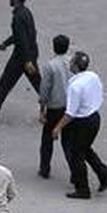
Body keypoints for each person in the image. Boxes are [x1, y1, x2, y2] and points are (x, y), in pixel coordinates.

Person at [51, 50, 107, 200]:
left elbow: (70, 114)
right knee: (85, 149)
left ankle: (82, 189)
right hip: (94, 117)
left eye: (72, 62)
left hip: (82, 122)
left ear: (76, 66)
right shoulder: (92, 76)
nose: (70, 64)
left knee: (77, 155)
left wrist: (57, 128)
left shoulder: (75, 87)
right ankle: (104, 174)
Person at [38, 34, 72, 180]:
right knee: (69, 141)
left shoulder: (50, 65)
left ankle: (45, 168)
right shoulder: (73, 62)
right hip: (70, 106)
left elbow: (45, 89)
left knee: (47, 139)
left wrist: (42, 109)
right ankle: (74, 171)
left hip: (55, 107)